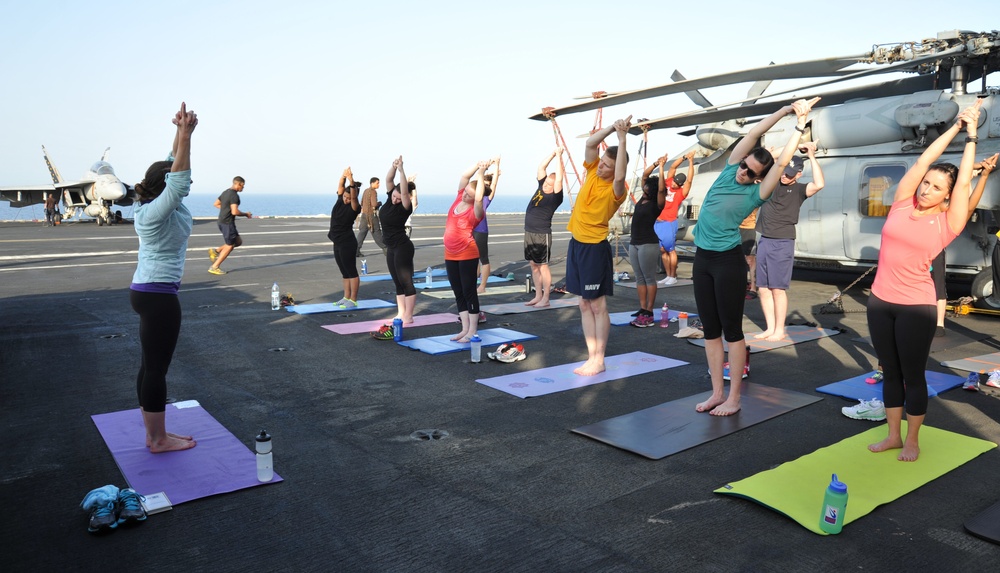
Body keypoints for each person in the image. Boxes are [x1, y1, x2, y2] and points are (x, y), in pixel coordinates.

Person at [864, 100, 982, 462]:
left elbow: (964, 182)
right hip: (880, 302)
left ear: (947, 196)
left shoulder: (949, 222)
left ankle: (913, 439)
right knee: (890, 372)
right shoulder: (901, 203)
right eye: (926, 183)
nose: (926, 189)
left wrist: (972, 135)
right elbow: (921, 162)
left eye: (935, 187)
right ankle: (893, 435)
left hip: (916, 307)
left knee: (913, 376)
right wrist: (954, 128)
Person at [693, 97, 819, 416]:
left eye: (751, 173)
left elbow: (781, 163)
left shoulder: (756, 192)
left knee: (732, 332)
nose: (744, 173)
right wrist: (784, 111)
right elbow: (751, 135)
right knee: (710, 331)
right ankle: (716, 393)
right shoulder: (730, 170)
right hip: (702, 261)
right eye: (745, 166)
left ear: (759, 179)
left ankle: (734, 398)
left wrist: (800, 125)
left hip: (727, 263)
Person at [129, 102, 199, 453]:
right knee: (156, 369)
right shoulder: (159, 209)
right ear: (166, 184)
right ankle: (157, 439)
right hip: (158, 295)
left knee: (149, 366)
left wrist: (183, 134)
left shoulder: (153, 204)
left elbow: (173, 167)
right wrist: (185, 135)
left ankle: (153, 434)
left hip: (146, 290)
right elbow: (180, 179)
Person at [566, 115, 631, 376]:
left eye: (607, 166)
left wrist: (622, 138)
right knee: (583, 303)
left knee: (597, 305)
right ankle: (591, 356)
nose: (601, 167)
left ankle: (600, 359)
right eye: (602, 163)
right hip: (577, 244)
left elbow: (621, 174)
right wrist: (612, 128)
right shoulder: (593, 171)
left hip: (594, 248)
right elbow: (592, 144)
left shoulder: (616, 189)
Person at [754, 142, 826, 341]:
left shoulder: (800, 190)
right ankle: (770, 328)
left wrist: (811, 155)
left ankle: (780, 329)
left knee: (777, 288)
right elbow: (768, 155)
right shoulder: (773, 180)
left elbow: (819, 184)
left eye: (790, 173)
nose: (785, 175)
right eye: (784, 171)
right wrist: (797, 146)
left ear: (799, 174)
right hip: (765, 239)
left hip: (782, 241)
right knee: (763, 288)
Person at [930, 152, 998, 335]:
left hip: (933, 251)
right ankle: (936, 324)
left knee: (937, 286)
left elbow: (967, 199)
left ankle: (938, 324)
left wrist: (981, 174)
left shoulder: (948, 211)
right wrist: (979, 171)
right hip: (920, 254)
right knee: (936, 287)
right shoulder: (931, 203)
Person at [372, 156, 416, 339]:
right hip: (391, 247)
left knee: (406, 282)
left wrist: (402, 170)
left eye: (399, 197)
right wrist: (393, 166)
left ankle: (409, 315)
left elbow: (404, 193)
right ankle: (400, 312)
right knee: (397, 282)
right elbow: (389, 180)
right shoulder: (391, 197)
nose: (396, 199)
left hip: (403, 247)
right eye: (395, 196)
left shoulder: (405, 205)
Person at [446, 160, 489, 341]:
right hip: (450, 254)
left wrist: (481, 174)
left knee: (468, 291)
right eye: (465, 192)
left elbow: (479, 198)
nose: (464, 196)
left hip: (467, 253)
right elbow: (464, 176)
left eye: (469, 195)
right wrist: (476, 166)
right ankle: (464, 329)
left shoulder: (476, 211)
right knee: (458, 291)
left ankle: (473, 330)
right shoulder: (458, 198)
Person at [525, 147, 565, 307]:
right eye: (546, 183)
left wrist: (559, 158)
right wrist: (553, 154)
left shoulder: (555, 197)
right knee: (533, 265)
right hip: (529, 232)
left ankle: (546, 298)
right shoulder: (542, 185)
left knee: (542, 265)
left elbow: (560, 179)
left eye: (550, 185)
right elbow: (541, 168)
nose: (546, 186)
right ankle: (538, 295)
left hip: (542, 234)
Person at [628, 155, 665, 327]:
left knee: (649, 278)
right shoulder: (643, 198)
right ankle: (642, 308)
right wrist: (656, 164)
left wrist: (663, 169)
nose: (644, 189)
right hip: (634, 242)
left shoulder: (657, 203)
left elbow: (661, 190)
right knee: (639, 277)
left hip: (648, 244)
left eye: (647, 188)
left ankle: (649, 310)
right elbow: (644, 175)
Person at [654, 152, 696, 286]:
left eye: (677, 184)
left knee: (671, 249)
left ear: (680, 185)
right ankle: (668, 275)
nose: (673, 185)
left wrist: (691, 162)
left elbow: (689, 180)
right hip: (658, 221)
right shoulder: (668, 182)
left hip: (669, 222)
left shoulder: (682, 192)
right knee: (662, 250)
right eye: (673, 182)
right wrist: (684, 158)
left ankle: (673, 275)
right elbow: (672, 167)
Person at [330, 168, 362, 307]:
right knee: (344, 272)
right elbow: (340, 186)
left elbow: (354, 197)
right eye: (345, 197)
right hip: (337, 241)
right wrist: (343, 176)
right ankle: (346, 297)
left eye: (349, 198)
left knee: (351, 271)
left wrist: (351, 179)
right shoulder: (339, 201)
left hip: (347, 242)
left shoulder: (355, 207)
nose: (346, 199)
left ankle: (353, 300)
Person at [208, 176, 252, 275]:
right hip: (227, 223)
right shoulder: (234, 195)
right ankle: (214, 267)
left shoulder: (225, 192)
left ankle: (216, 251)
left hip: (223, 221)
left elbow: (216, 204)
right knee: (230, 245)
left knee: (238, 241)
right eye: (243, 186)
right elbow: (235, 211)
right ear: (239, 184)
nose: (243, 188)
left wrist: (225, 210)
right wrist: (246, 214)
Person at [474, 157, 501, 294]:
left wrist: (496, 165)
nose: (483, 186)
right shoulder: (475, 195)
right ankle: (474, 282)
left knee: (483, 258)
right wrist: (484, 167)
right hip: (470, 229)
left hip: (481, 230)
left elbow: (495, 183)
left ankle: (482, 286)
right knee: (472, 258)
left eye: (485, 184)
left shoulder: (487, 197)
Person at [356, 177, 384, 256]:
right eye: (377, 183)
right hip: (372, 216)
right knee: (377, 233)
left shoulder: (365, 191)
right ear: (372, 183)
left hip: (364, 215)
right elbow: (374, 205)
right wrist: (379, 203)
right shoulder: (373, 191)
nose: (378, 184)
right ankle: (386, 249)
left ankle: (356, 250)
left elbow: (361, 202)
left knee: (362, 233)